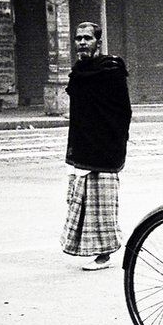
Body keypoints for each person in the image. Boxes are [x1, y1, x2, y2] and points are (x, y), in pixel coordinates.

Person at [61, 22, 132, 270]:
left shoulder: (110, 69)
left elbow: (122, 110)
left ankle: (105, 254)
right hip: (83, 143)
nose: (82, 42)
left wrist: (114, 139)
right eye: (78, 38)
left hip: (105, 144)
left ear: (98, 43)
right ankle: (94, 250)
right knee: (83, 200)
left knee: (102, 204)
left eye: (87, 38)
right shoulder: (80, 71)